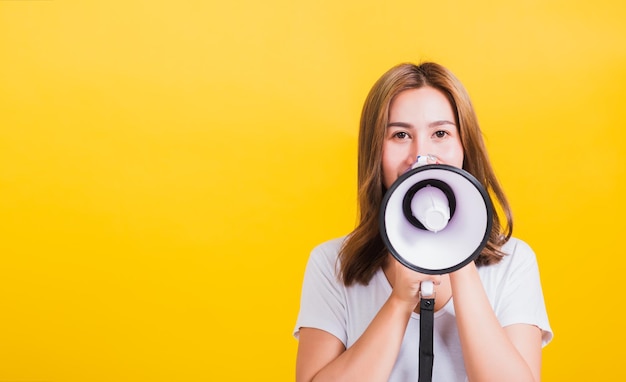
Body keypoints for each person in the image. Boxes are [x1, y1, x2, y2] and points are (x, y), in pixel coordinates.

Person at [293, 62, 553, 382]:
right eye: (400, 134)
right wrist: (400, 302)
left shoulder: (514, 262)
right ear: (375, 150)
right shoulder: (332, 264)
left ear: (464, 145)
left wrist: (459, 252)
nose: (421, 155)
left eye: (440, 133)